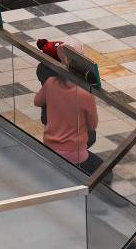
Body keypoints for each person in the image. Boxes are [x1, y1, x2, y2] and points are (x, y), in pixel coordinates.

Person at [33, 42, 101, 174]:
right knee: (104, 171)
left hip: (50, 145)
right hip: (75, 153)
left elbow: (37, 101)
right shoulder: (84, 94)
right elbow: (92, 125)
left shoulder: (50, 82)